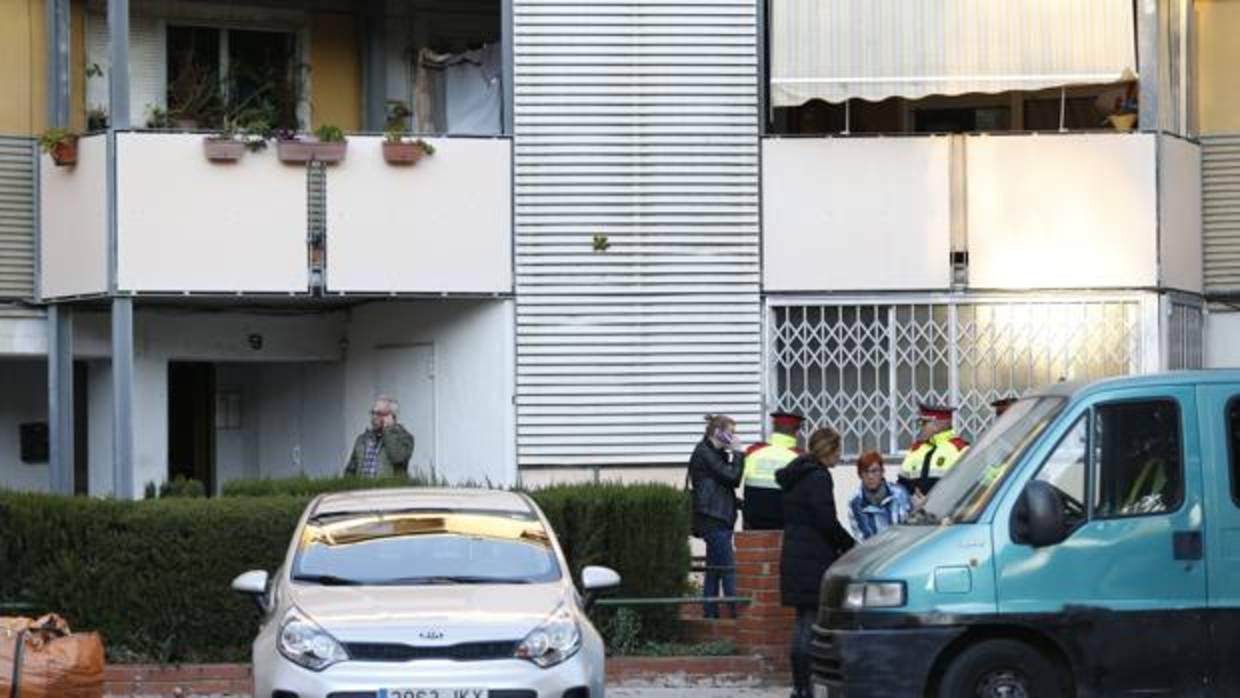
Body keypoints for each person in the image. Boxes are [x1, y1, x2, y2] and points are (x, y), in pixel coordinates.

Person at [777, 427, 856, 698]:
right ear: (828, 451)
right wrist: (849, 544)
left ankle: (799, 687)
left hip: (794, 556)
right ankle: (807, 688)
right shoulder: (819, 477)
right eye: (838, 451)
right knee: (810, 625)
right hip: (813, 558)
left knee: (801, 623)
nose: (840, 456)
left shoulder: (795, 475)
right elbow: (826, 520)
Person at [689, 414, 744, 619]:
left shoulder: (715, 452)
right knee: (728, 569)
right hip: (712, 519)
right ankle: (737, 615)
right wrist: (738, 454)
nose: (734, 437)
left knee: (714, 569)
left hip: (718, 516)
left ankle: (710, 615)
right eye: (730, 433)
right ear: (718, 433)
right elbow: (732, 478)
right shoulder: (704, 452)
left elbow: (720, 487)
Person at [741, 411, 805, 530]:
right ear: (796, 431)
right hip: (783, 523)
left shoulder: (753, 452)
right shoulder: (800, 457)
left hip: (752, 521)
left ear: (774, 429)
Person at [899, 403, 969, 505]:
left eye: (924, 423)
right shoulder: (915, 449)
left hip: (947, 516)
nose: (921, 428)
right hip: (915, 516)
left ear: (937, 425)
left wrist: (934, 503)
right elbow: (901, 486)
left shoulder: (960, 449)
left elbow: (968, 488)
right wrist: (910, 498)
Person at [343, 395, 415, 478]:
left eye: (379, 414)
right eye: (373, 413)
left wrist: (388, 429)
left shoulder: (404, 438)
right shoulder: (362, 440)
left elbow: (397, 457)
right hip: (363, 489)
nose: (374, 417)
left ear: (392, 416)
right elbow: (350, 470)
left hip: (386, 490)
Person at [847, 450, 912, 541]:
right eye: (866, 472)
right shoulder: (855, 502)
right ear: (860, 475)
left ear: (882, 472)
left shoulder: (899, 493)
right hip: (875, 552)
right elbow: (862, 539)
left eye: (874, 471)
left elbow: (910, 526)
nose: (870, 476)